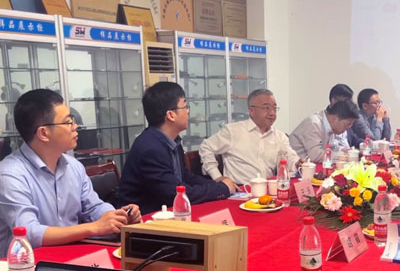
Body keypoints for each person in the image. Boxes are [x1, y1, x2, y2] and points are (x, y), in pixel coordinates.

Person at [0, 89, 141, 257]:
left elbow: (93, 207)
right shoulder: (10, 175)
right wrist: (94, 227)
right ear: (44, 133)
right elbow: (28, 232)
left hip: (72, 256)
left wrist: (117, 217)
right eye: (68, 122)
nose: (75, 127)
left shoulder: (73, 166)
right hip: (27, 265)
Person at [119, 82, 235, 214]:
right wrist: (221, 189)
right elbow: (175, 194)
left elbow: (185, 177)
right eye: (185, 106)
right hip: (146, 218)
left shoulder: (171, 140)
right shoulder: (150, 149)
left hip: (168, 211)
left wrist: (219, 184)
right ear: (171, 115)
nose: (188, 111)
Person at [199, 89, 301, 184]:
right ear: (251, 110)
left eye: (274, 108)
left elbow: (290, 157)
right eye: (266, 108)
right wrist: (217, 177)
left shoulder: (279, 136)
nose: (272, 113)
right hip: (240, 190)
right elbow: (206, 147)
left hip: (267, 189)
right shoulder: (233, 131)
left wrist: (298, 163)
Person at [289, 99, 360, 162]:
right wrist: (342, 154)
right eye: (348, 124)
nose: (348, 128)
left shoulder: (331, 126)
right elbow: (315, 155)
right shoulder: (314, 123)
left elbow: (332, 148)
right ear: (335, 118)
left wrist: (345, 150)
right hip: (296, 168)